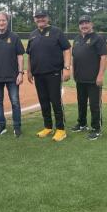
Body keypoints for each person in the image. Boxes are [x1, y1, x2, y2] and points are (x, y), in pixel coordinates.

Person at [26, 10, 71, 142]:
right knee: (43, 101)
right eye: (38, 17)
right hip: (38, 73)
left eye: (43, 17)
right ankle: (48, 127)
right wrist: (29, 71)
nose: (40, 19)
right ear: (35, 19)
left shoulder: (57, 31)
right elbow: (30, 54)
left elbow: (67, 49)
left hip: (54, 72)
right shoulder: (32, 35)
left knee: (55, 101)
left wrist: (67, 68)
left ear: (47, 18)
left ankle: (61, 129)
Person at [0, 11, 25, 137]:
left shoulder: (14, 37)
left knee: (15, 101)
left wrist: (20, 73)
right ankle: (1, 126)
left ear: (7, 22)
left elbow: (20, 56)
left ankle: (17, 126)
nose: (1, 22)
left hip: (12, 76)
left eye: (3, 20)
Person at [71, 15, 107, 140]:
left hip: (93, 79)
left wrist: (100, 75)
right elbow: (74, 57)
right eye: (81, 23)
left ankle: (96, 129)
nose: (84, 25)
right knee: (81, 103)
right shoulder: (76, 39)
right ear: (79, 26)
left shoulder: (98, 38)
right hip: (80, 78)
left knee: (94, 105)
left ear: (91, 24)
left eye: (86, 23)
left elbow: (103, 57)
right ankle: (82, 124)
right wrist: (73, 72)